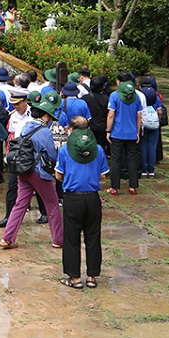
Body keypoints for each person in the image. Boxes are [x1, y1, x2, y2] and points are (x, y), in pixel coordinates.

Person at [0, 99, 63, 250]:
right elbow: (52, 155)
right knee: (52, 205)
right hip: (39, 172)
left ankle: (7, 238)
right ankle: (58, 240)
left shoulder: (27, 126)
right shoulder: (45, 132)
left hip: (24, 170)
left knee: (20, 204)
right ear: (46, 116)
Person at [55, 118, 108, 290]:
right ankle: (92, 277)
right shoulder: (98, 150)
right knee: (93, 237)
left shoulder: (64, 151)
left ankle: (75, 278)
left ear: (71, 129)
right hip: (92, 198)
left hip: (73, 198)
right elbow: (103, 175)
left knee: (71, 239)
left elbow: (58, 175)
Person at [107, 81, 142, 194]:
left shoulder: (114, 96)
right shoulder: (136, 97)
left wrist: (108, 130)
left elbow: (111, 115)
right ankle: (133, 186)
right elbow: (139, 116)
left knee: (116, 160)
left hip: (117, 133)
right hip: (131, 133)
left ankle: (114, 187)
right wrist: (137, 132)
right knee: (132, 160)